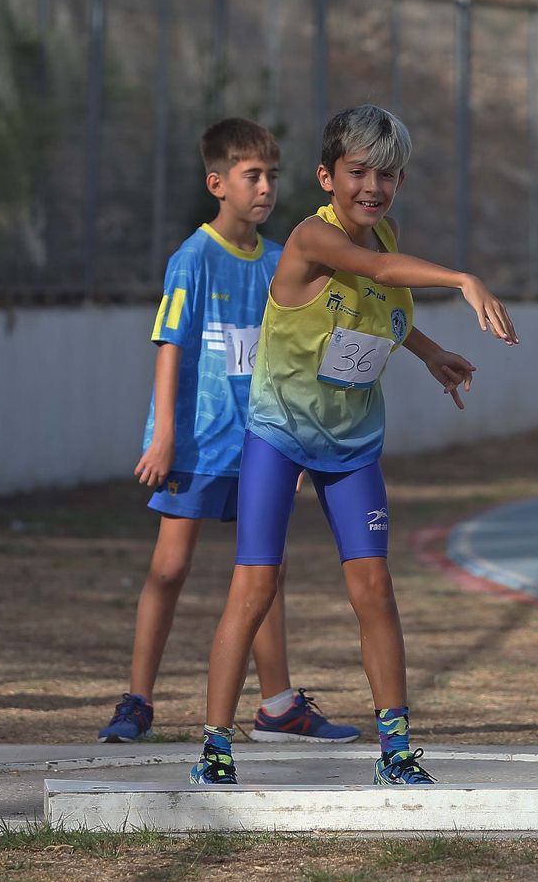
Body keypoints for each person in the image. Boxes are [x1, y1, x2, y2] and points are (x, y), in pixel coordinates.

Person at [192, 105, 518, 786]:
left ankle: (395, 748)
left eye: (388, 174)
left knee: (374, 589)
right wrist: (463, 279)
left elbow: (381, 311)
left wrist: (429, 353)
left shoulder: (384, 234)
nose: (373, 186)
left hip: (352, 443)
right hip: (279, 435)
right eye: (359, 171)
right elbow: (383, 272)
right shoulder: (314, 237)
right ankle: (215, 747)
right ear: (326, 176)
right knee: (254, 586)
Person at [98, 118, 359, 746]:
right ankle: (137, 701)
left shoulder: (279, 261)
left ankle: (278, 706)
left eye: (272, 175)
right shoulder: (193, 259)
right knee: (169, 568)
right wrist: (161, 437)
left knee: (263, 570)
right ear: (218, 183)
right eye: (252, 176)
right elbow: (169, 346)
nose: (266, 187)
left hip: (262, 444)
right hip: (195, 443)